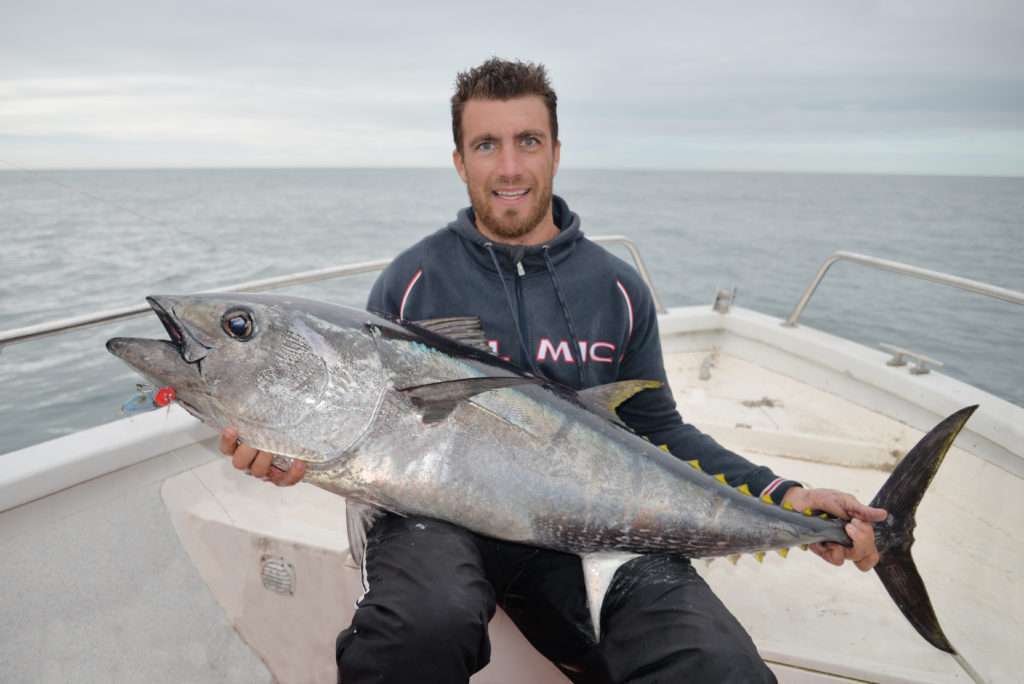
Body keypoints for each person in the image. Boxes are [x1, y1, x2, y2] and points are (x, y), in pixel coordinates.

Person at [220, 58, 886, 683]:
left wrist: (785, 497)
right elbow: (357, 421)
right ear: (459, 162)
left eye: (528, 141)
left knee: (718, 665)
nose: (509, 167)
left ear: (557, 151)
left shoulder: (616, 290)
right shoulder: (413, 281)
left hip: (588, 528)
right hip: (432, 523)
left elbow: (662, 433)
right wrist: (287, 447)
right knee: (413, 635)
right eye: (486, 146)